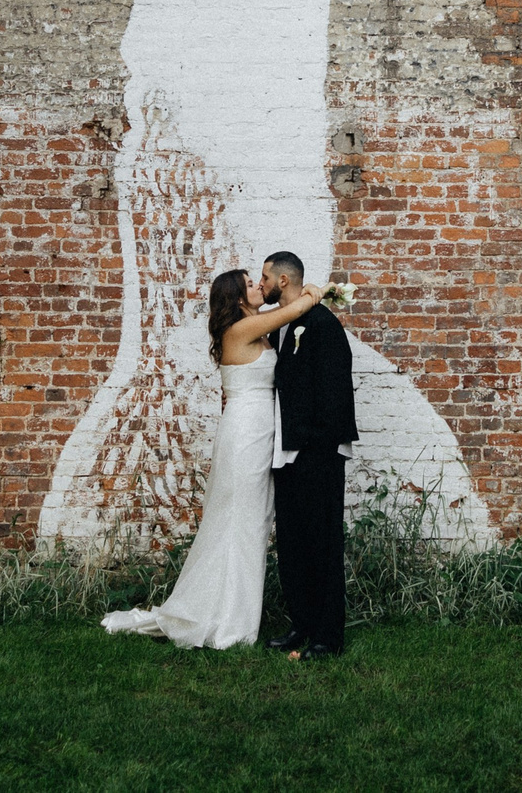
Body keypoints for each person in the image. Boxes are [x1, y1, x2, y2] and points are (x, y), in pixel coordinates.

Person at [101, 267, 325, 648]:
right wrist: (314, 294)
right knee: (241, 521)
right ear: (238, 298)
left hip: (259, 432)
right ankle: (228, 623)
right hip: (245, 436)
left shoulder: (255, 327)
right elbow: (290, 312)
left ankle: (230, 611)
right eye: (252, 284)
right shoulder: (239, 330)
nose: (260, 285)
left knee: (250, 523)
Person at [261, 250, 357, 659]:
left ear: (283, 280)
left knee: (322, 543)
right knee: (294, 544)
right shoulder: (280, 328)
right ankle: (301, 623)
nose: (261, 284)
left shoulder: (321, 323)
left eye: (265, 277)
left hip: (317, 455)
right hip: (287, 454)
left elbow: (335, 391)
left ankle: (327, 636)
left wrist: (317, 450)